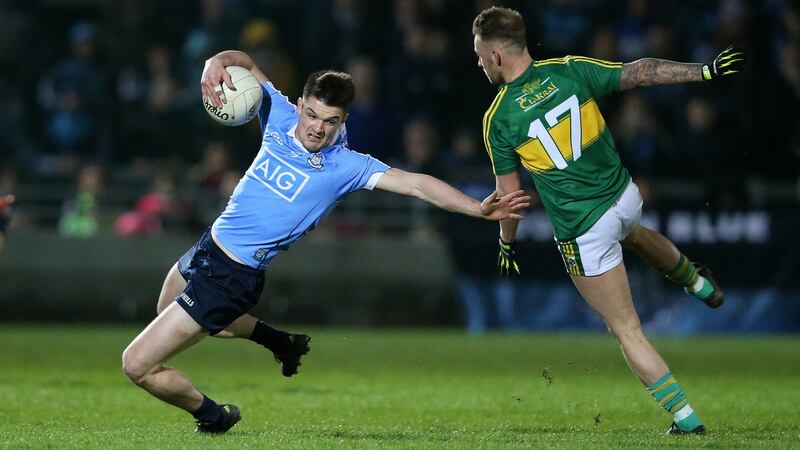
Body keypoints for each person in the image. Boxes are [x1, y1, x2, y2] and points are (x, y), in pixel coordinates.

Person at [121, 49, 531, 435]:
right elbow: (243, 60)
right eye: (312, 114)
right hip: (209, 245)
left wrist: (477, 209)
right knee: (165, 310)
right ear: (300, 104)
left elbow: (417, 184)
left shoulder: (346, 165)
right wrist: (213, 62)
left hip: (233, 275)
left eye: (330, 121)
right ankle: (280, 342)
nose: (317, 127)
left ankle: (213, 416)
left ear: (343, 120)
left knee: (138, 364)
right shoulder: (278, 113)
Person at [471, 6, 745, 435]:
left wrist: (507, 241)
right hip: (625, 198)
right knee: (633, 234)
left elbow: (510, 199)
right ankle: (698, 284)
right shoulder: (570, 69)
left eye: (479, 56)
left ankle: (687, 421)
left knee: (627, 331)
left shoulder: (499, 118)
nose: (479, 63)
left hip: (585, 231)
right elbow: (641, 73)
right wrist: (704, 72)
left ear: (496, 56)